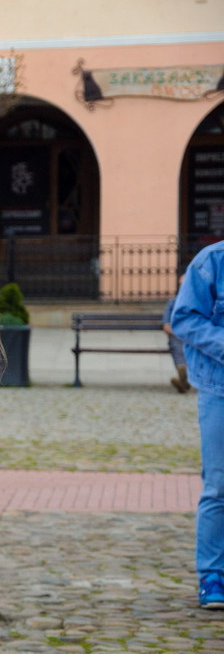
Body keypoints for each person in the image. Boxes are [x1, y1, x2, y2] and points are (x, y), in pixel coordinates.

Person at [170, 240, 224, 610]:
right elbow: (184, 319)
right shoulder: (212, 261)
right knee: (219, 484)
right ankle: (212, 575)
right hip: (219, 388)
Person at [163, 274, 190, 393]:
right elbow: (166, 325)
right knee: (176, 346)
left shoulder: (199, 303)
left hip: (192, 334)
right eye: (181, 284)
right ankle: (182, 372)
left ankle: (183, 380)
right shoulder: (173, 302)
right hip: (177, 333)